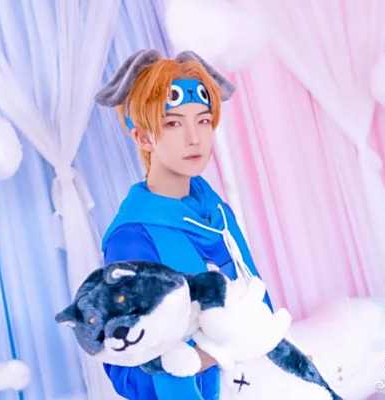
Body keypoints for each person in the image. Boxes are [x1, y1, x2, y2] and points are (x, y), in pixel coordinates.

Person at [94, 49, 271, 400]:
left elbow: (256, 304)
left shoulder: (216, 213)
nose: (194, 138)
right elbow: (127, 366)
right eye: (173, 123)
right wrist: (208, 356)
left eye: (203, 121)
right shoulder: (133, 237)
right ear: (143, 137)